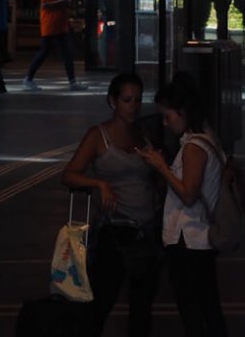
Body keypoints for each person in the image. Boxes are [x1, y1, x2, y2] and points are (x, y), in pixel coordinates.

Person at [61, 72, 162, 337]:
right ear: (113, 101)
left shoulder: (144, 133)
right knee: (100, 303)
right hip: (115, 231)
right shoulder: (99, 136)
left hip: (146, 230)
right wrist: (100, 185)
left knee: (142, 308)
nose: (133, 106)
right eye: (127, 100)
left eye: (138, 100)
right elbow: (70, 174)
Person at [138, 73, 227, 336]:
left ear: (184, 112)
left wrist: (162, 168)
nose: (165, 124)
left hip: (190, 239)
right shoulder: (208, 137)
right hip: (198, 240)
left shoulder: (193, 147)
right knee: (208, 308)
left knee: (193, 311)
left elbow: (188, 194)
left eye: (168, 116)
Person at [24, 0, 86, 91]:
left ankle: (72, 81)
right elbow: (45, 4)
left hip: (59, 24)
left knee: (66, 52)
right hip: (51, 24)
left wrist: (66, 1)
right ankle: (28, 78)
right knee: (45, 52)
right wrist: (63, 1)